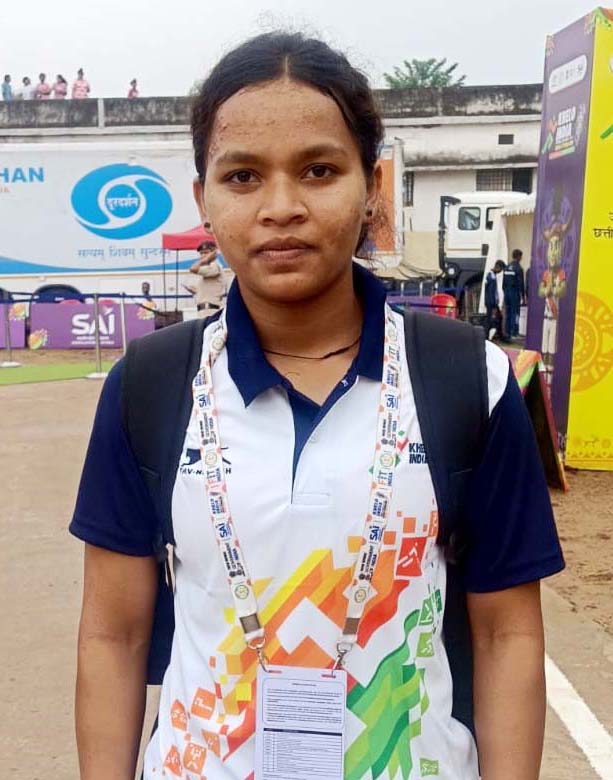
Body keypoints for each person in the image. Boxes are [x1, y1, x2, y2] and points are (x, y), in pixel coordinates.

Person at [71, 32, 564, 780]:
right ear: (204, 199)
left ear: (370, 186)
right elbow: (114, 635)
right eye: (242, 176)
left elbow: (507, 637)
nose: (282, 208)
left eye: (319, 170)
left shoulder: (468, 378)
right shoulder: (150, 384)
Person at [185, 239, 226, 315]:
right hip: (205, 309)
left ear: (214, 253)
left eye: (206, 253)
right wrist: (196, 290)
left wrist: (204, 260)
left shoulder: (214, 266)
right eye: (201, 253)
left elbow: (193, 269)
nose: (203, 255)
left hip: (210, 309)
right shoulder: (208, 267)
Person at [503, 248, 525, 339]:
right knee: (515, 313)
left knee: (508, 312)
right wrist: (523, 296)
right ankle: (514, 333)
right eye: (521, 256)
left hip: (507, 292)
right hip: (514, 292)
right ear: (519, 256)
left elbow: (503, 283)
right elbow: (521, 283)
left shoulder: (506, 267)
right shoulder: (518, 268)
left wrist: (505, 292)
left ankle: (507, 332)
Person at [484, 260, 505, 341]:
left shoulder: (491, 275)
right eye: (501, 269)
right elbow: (491, 292)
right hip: (491, 302)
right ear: (498, 267)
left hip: (491, 301)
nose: (500, 271)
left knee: (498, 317)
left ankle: (498, 334)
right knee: (490, 319)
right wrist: (494, 304)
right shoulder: (491, 277)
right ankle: (487, 336)